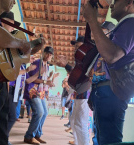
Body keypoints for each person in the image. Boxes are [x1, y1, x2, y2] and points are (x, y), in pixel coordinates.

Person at [0, 1, 44, 144]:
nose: (14, 1)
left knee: (0, 127)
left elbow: (22, 57)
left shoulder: (6, 36)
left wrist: (32, 47)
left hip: (1, 83)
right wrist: (20, 44)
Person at [82, 0, 134, 144]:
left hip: (112, 93)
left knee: (108, 141)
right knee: (101, 138)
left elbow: (111, 55)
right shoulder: (124, 25)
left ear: (129, 3)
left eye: (115, 1)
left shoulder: (130, 23)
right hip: (107, 90)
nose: (111, 5)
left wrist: (92, 20)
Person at [56, 36, 91, 145]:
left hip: (84, 96)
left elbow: (82, 75)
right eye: (75, 47)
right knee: (75, 122)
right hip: (78, 96)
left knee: (80, 124)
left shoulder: (88, 58)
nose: (76, 49)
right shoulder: (80, 60)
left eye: (78, 46)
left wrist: (66, 65)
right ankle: (77, 142)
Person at [24, 46, 57, 144]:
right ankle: (29, 136)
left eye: (50, 55)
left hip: (40, 92)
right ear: (43, 53)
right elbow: (31, 78)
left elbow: (44, 81)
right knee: (39, 112)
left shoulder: (46, 65)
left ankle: (37, 134)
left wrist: (50, 80)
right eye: (47, 53)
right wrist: (46, 81)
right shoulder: (37, 63)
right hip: (33, 91)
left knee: (45, 112)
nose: (48, 56)